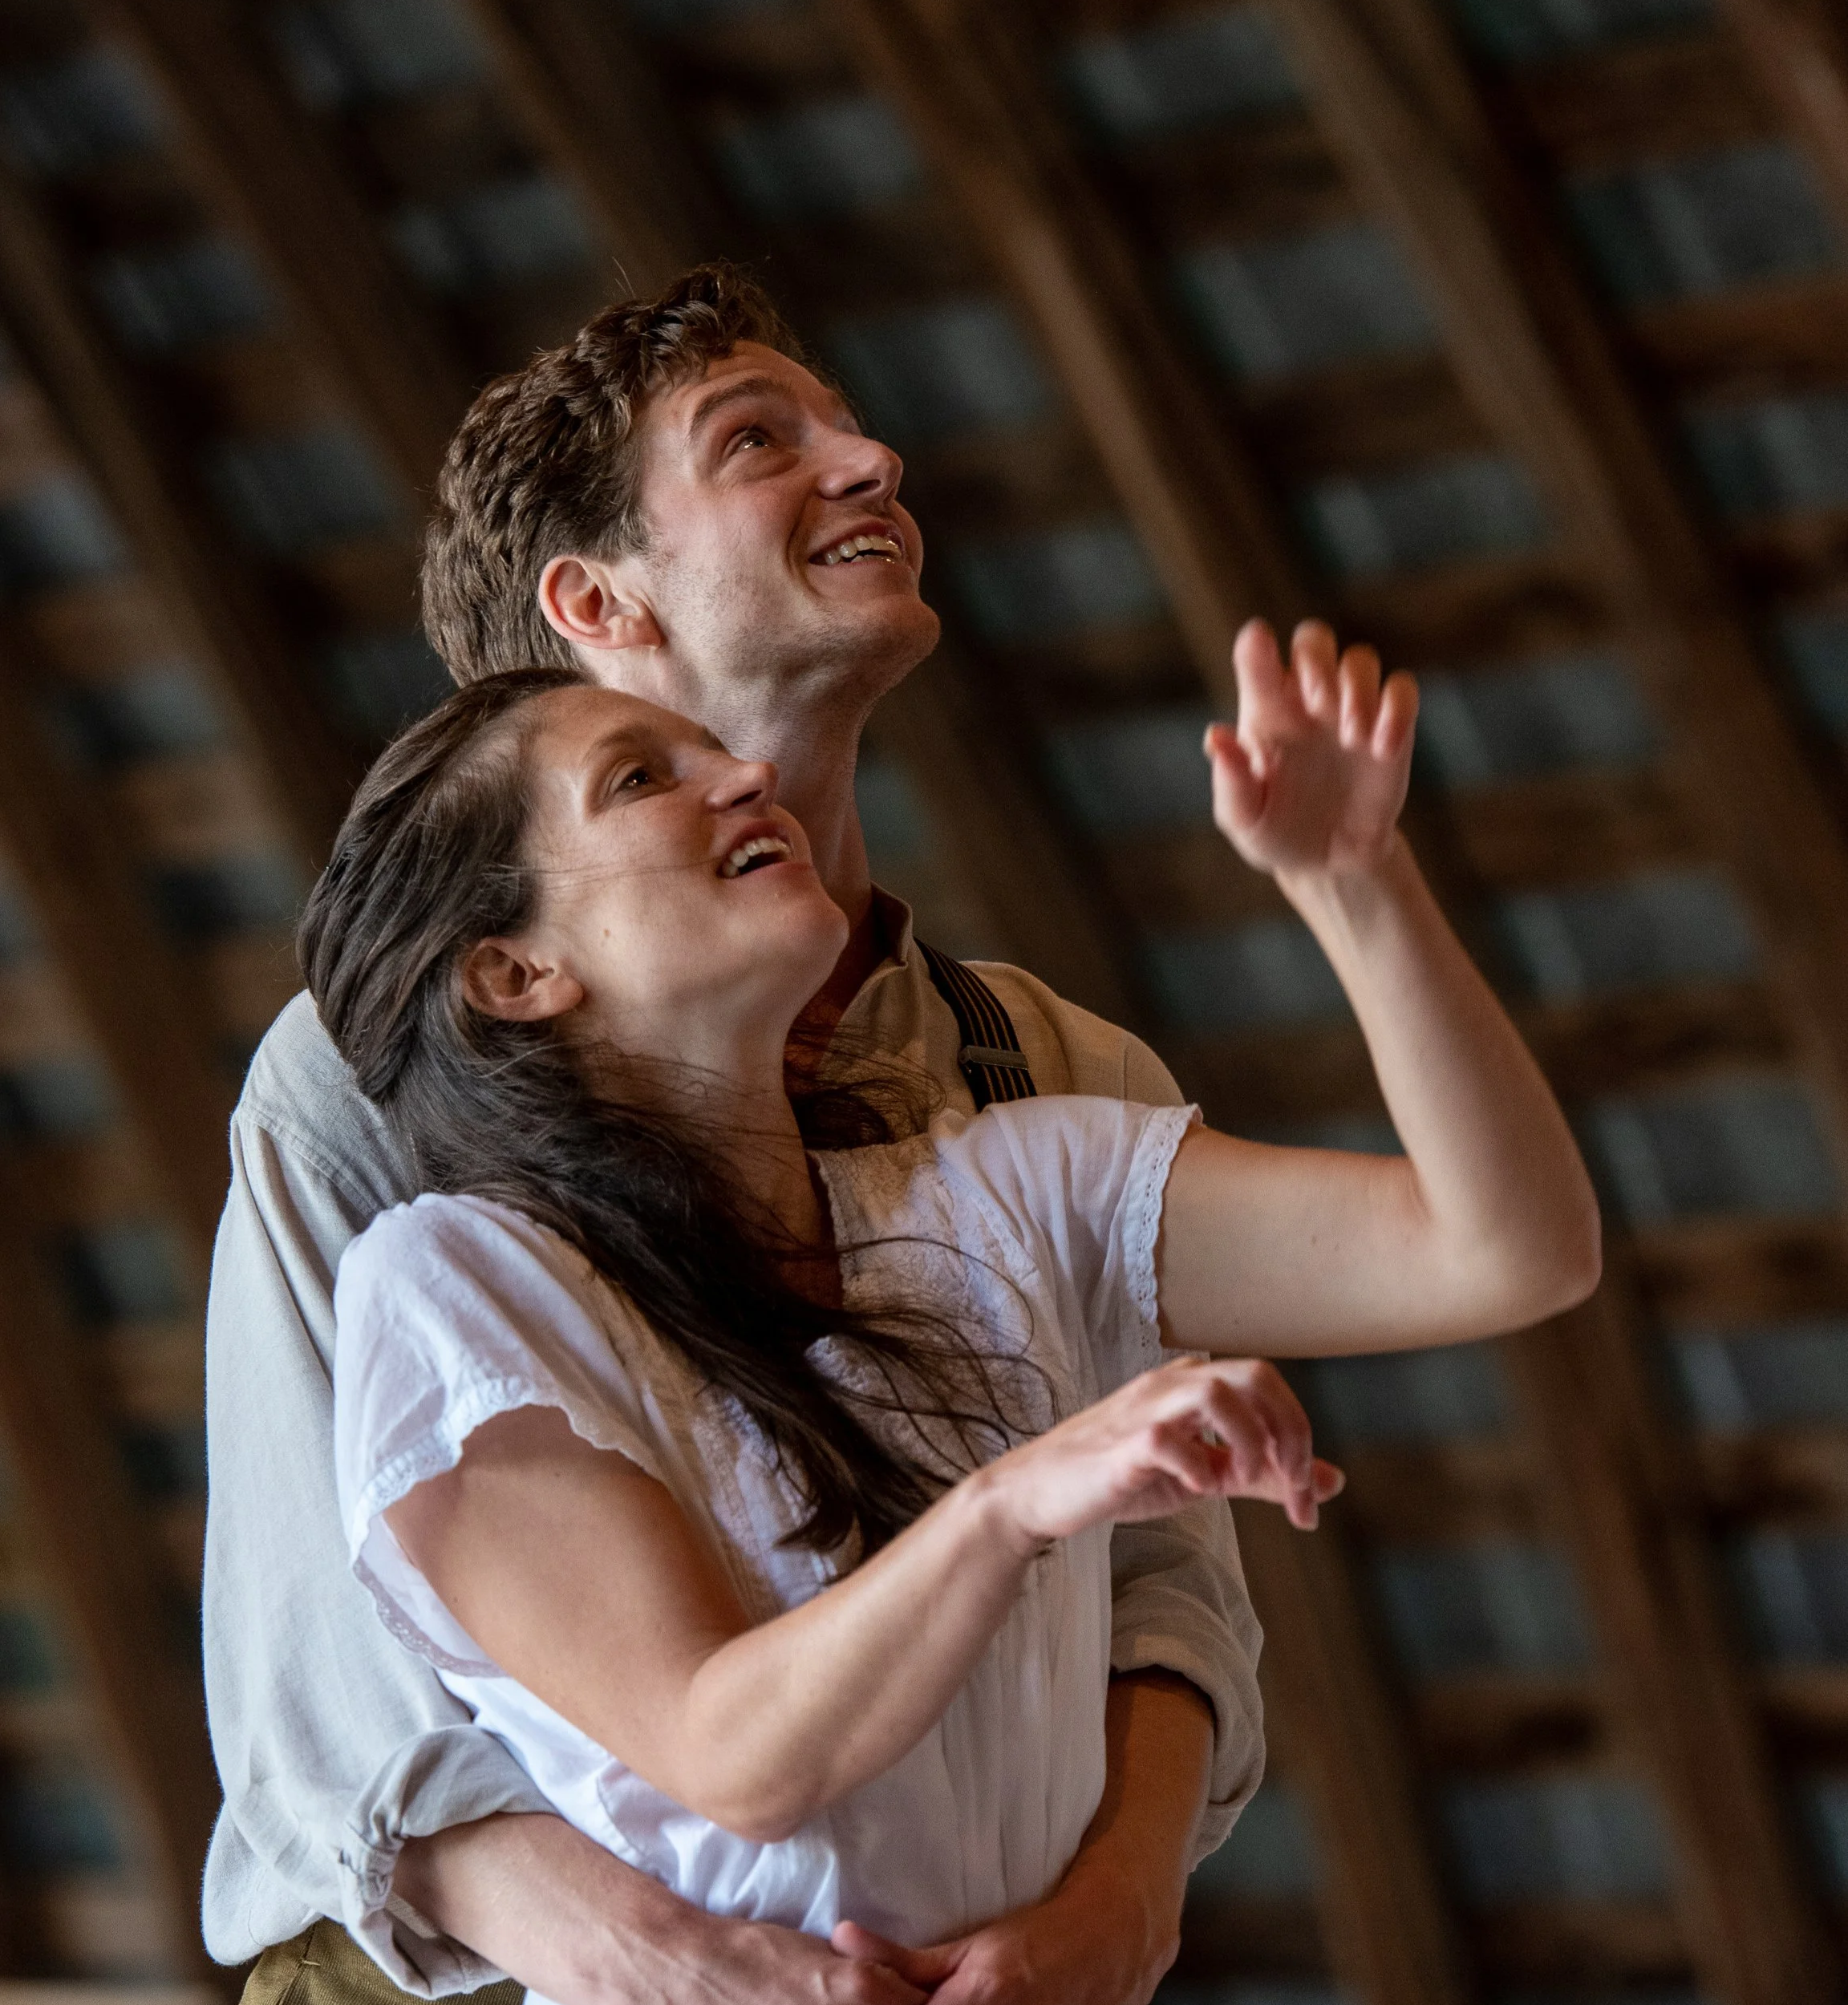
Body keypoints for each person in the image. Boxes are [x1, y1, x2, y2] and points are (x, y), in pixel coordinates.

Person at [205, 265, 1287, 2005]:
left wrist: (1118, 1910)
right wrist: (683, 1960)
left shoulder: (1052, 1067)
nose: (872, 459)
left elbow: (1166, 1578)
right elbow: (323, 1699)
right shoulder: (362, 1075)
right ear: (595, 600)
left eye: (845, 422)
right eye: (762, 440)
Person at [302, 650, 1595, 2005]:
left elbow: (1511, 1250)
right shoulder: (459, 1281)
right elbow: (735, 1753)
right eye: (640, 780)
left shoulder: (1012, 1184)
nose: (745, 774)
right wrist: (1023, 1497)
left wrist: (1357, 885)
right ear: (515, 973)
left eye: (712, 751)